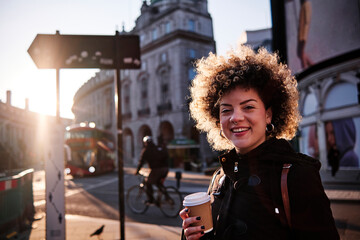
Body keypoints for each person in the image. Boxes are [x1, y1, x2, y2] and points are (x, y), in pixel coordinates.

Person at [180, 45, 339, 239]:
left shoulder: (296, 175)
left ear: (268, 115)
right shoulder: (220, 177)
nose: (235, 117)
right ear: (217, 119)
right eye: (226, 110)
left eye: (248, 107)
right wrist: (192, 235)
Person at [135, 135, 169, 204]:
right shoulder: (157, 148)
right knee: (157, 182)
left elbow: (141, 162)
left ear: (145, 143)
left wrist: (137, 171)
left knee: (148, 183)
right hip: (165, 169)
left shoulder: (146, 150)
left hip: (156, 170)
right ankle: (167, 196)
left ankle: (150, 200)